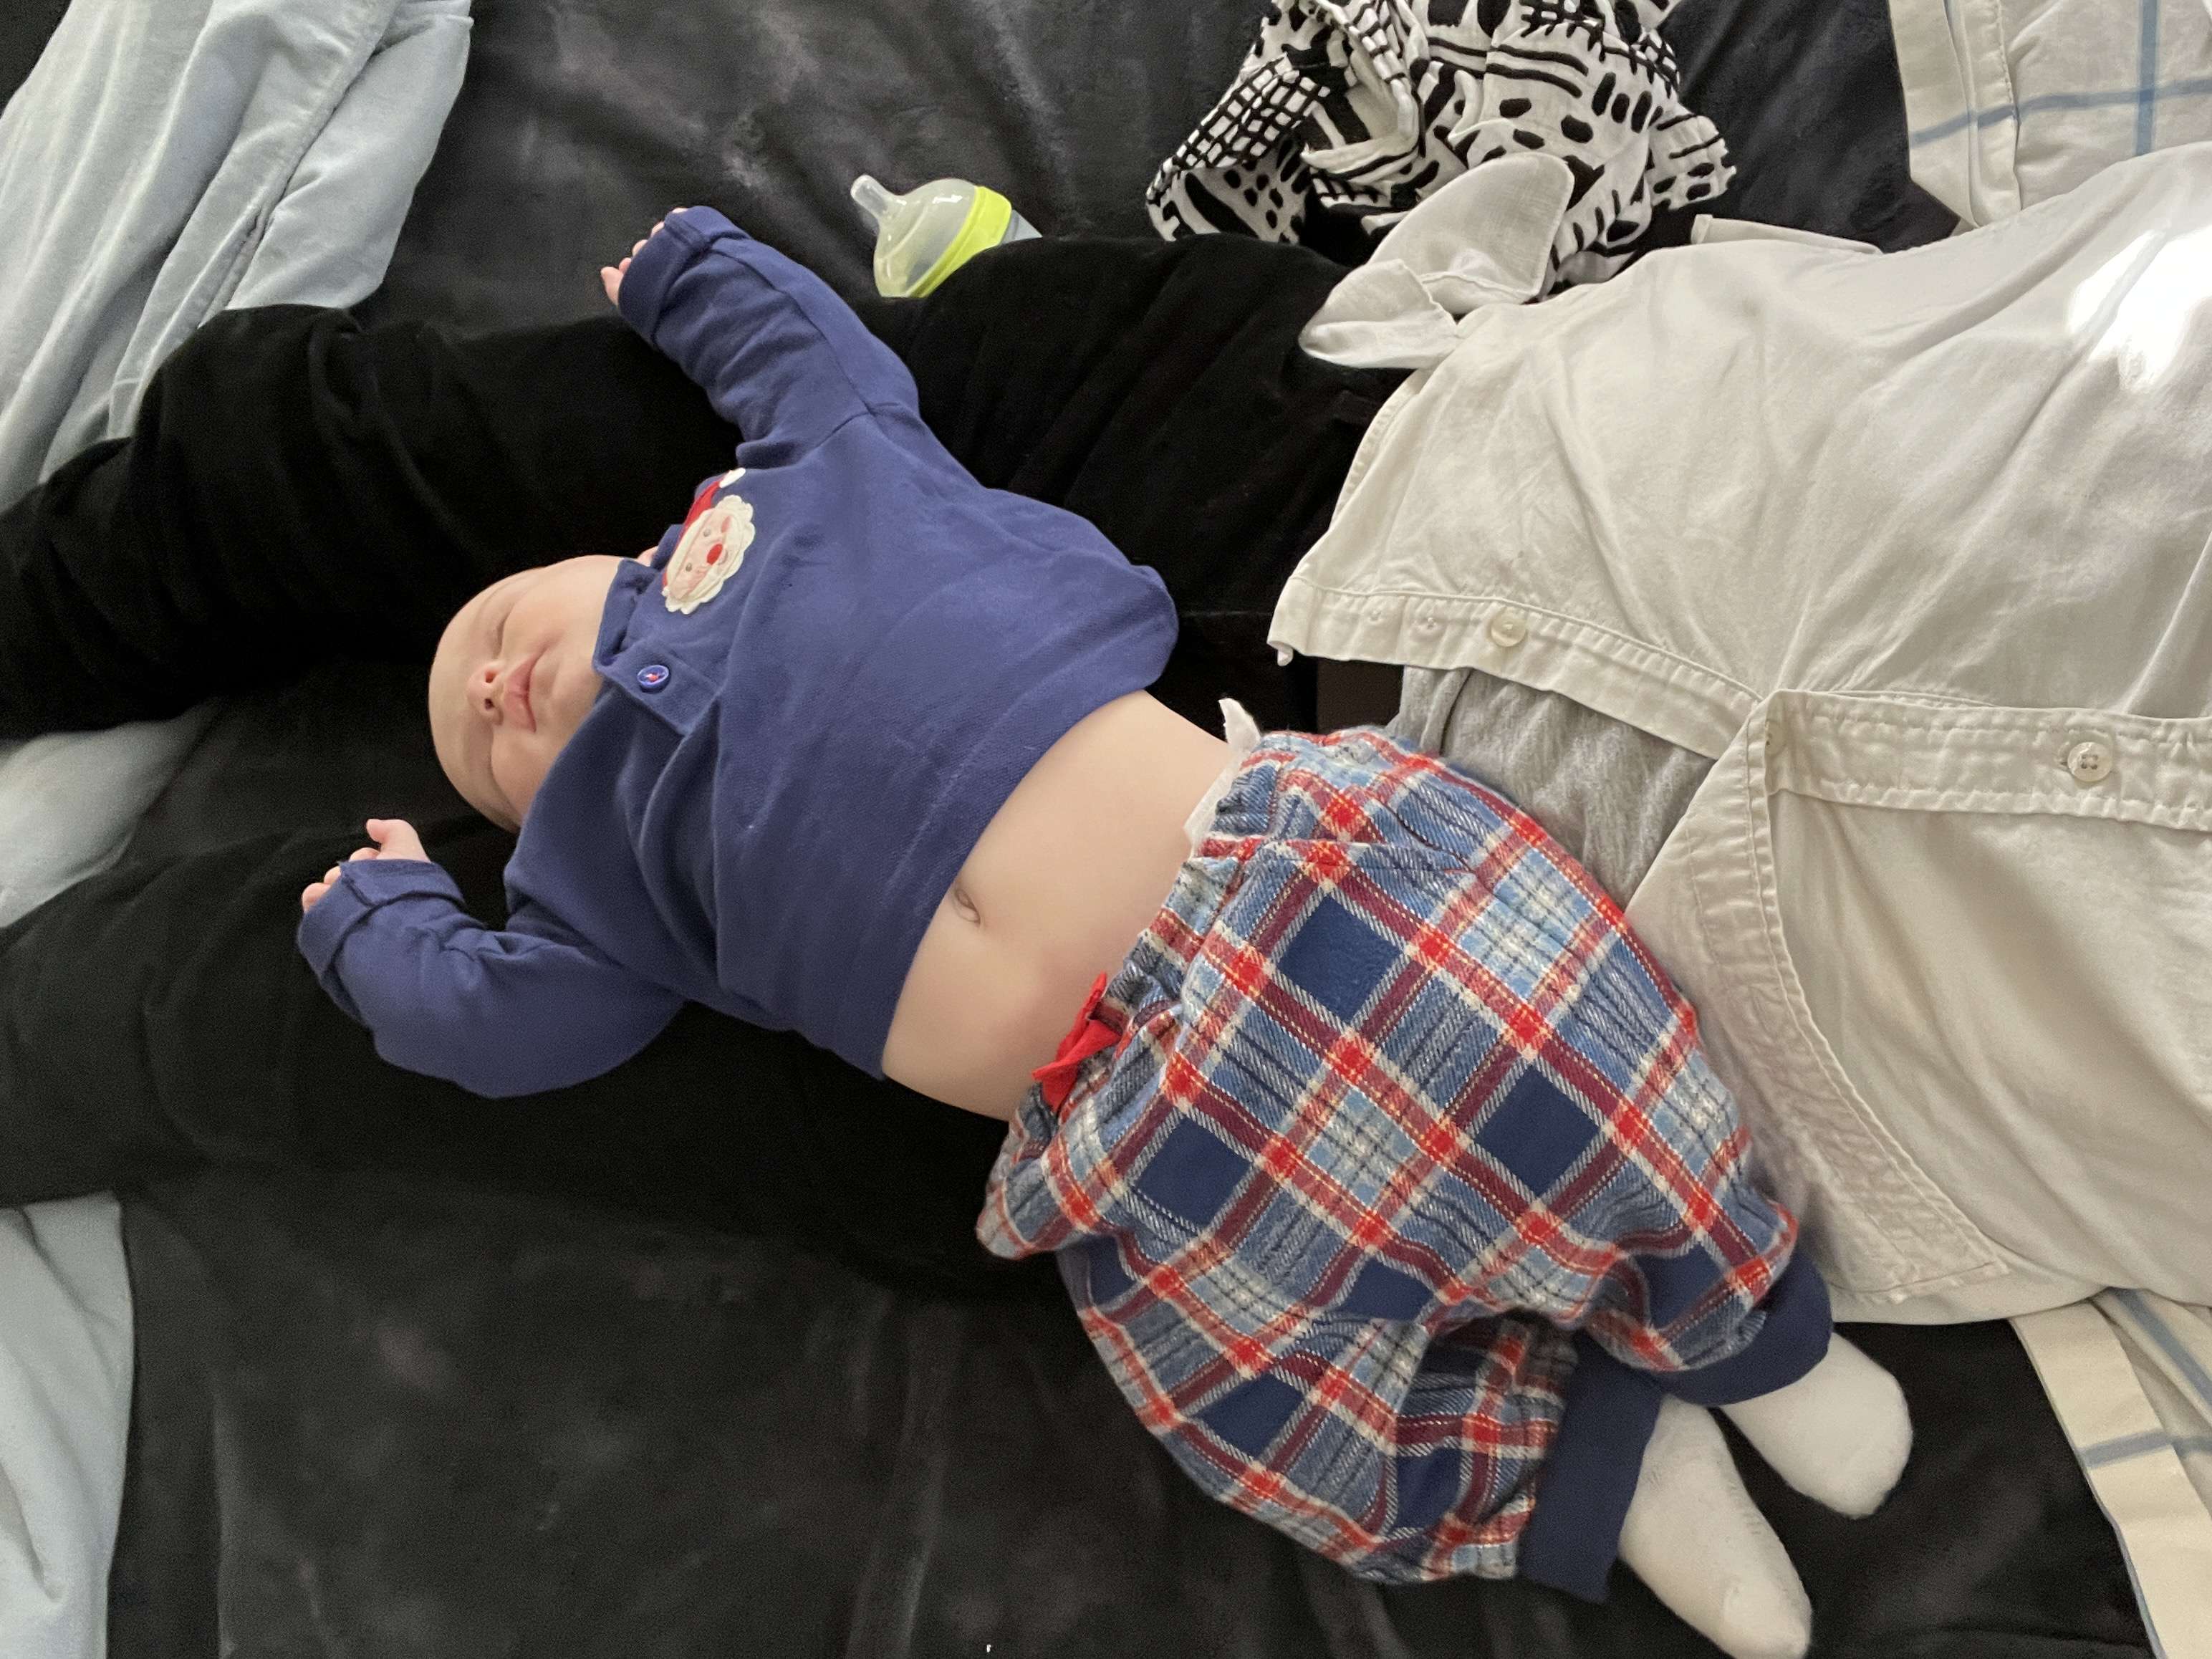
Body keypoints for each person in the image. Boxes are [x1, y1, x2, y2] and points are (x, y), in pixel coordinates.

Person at [288, 207, 1907, 1659]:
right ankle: (1600, 1470)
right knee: (1252, 1412)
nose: (489, 689)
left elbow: (807, 359)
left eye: (492, 628)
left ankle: (1748, 1332)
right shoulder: (593, 880)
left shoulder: (800, 493)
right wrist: (380, 925)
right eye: (478, 751)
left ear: (606, 553)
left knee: (1555, 1039)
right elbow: (503, 1024)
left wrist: (690, 273)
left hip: (1280, 883)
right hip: (1127, 1152)